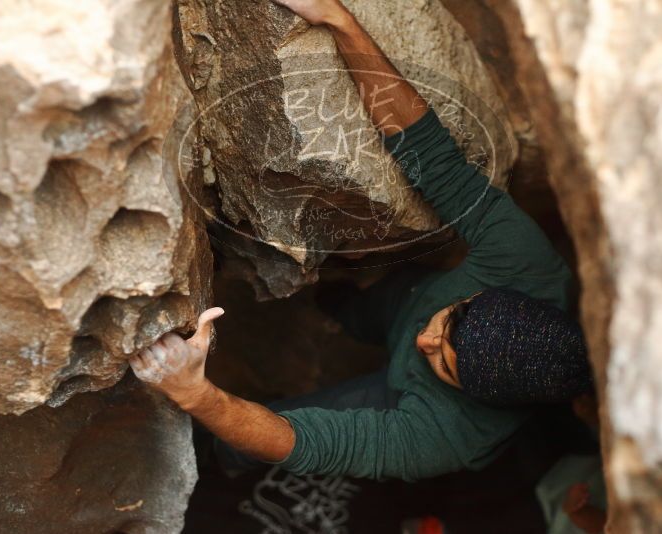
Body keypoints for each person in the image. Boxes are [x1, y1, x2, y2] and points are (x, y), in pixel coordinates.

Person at [129, 0, 592, 482]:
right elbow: (433, 158)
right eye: (450, 322)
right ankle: (337, 306)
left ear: (476, 395)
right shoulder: (524, 260)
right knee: (374, 305)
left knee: (283, 425)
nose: (425, 341)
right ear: (489, 294)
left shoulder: (448, 437)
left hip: (397, 392)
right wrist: (337, 20)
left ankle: (211, 460)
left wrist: (194, 393)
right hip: (408, 295)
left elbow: (304, 442)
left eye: (445, 364)